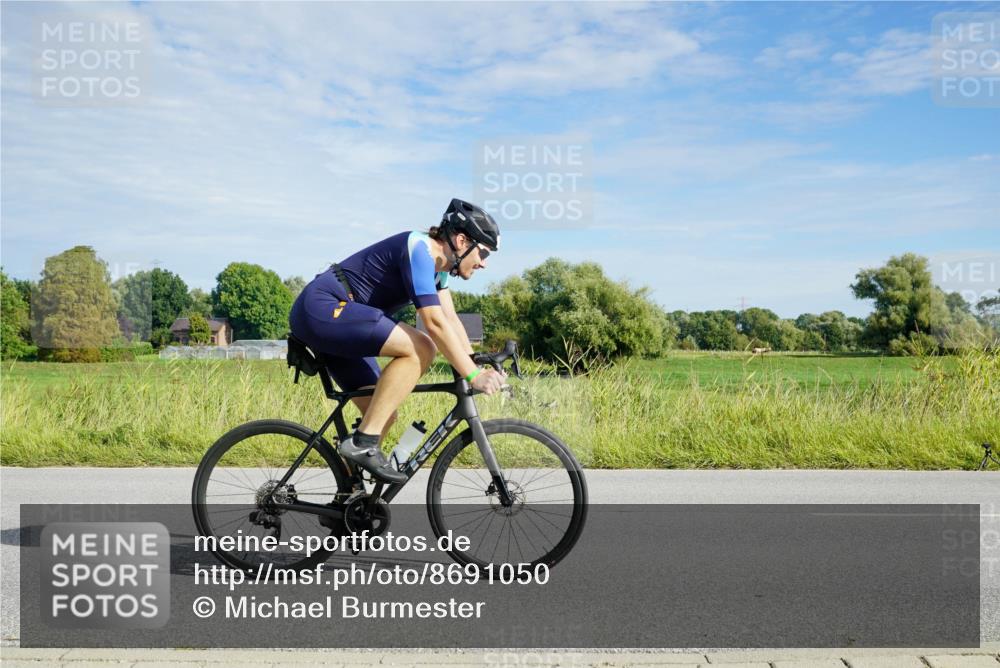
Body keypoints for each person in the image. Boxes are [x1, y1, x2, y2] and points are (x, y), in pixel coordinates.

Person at [288, 198, 506, 483]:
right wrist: (473, 375)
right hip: (323, 307)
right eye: (484, 254)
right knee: (423, 346)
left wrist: (475, 360)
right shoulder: (419, 250)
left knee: (382, 413)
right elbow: (434, 323)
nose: (484, 264)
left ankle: (347, 497)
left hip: (343, 320)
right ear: (462, 240)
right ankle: (362, 444)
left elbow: (450, 319)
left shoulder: (438, 270)